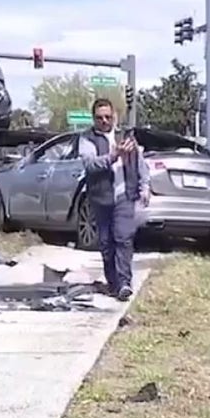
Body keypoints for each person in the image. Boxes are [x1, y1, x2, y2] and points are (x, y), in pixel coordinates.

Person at [78, 98, 149, 301]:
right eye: (100, 117)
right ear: (93, 118)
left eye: (108, 117)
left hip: (125, 195)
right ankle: (113, 283)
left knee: (123, 238)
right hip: (101, 198)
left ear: (114, 116)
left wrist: (145, 186)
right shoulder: (87, 139)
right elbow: (90, 164)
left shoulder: (125, 135)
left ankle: (125, 283)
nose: (104, 121)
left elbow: (140, 161)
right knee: (106, 243)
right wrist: (113, 155)